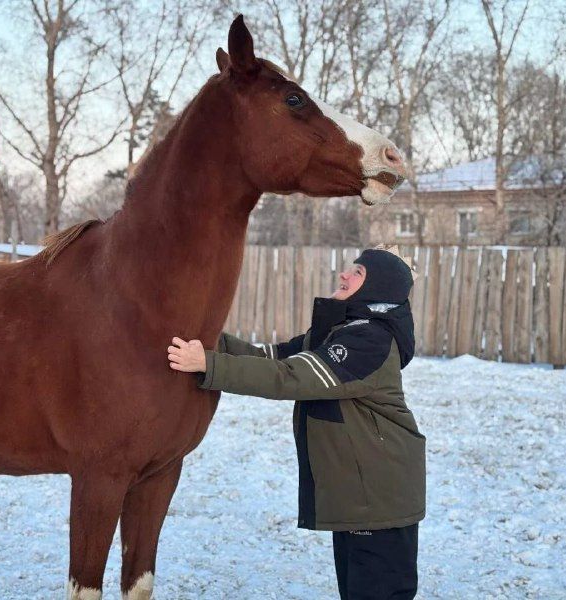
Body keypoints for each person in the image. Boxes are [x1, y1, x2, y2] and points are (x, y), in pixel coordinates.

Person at [168, 247, 425, 600]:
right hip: (360, 496)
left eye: (358, 272)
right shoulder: (342, 331)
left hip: (380, 499)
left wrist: (208, 365)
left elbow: (288, 376)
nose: (344, 275)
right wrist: (208, 336)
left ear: (376, 287)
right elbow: (269, 357)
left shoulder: (369, 340)